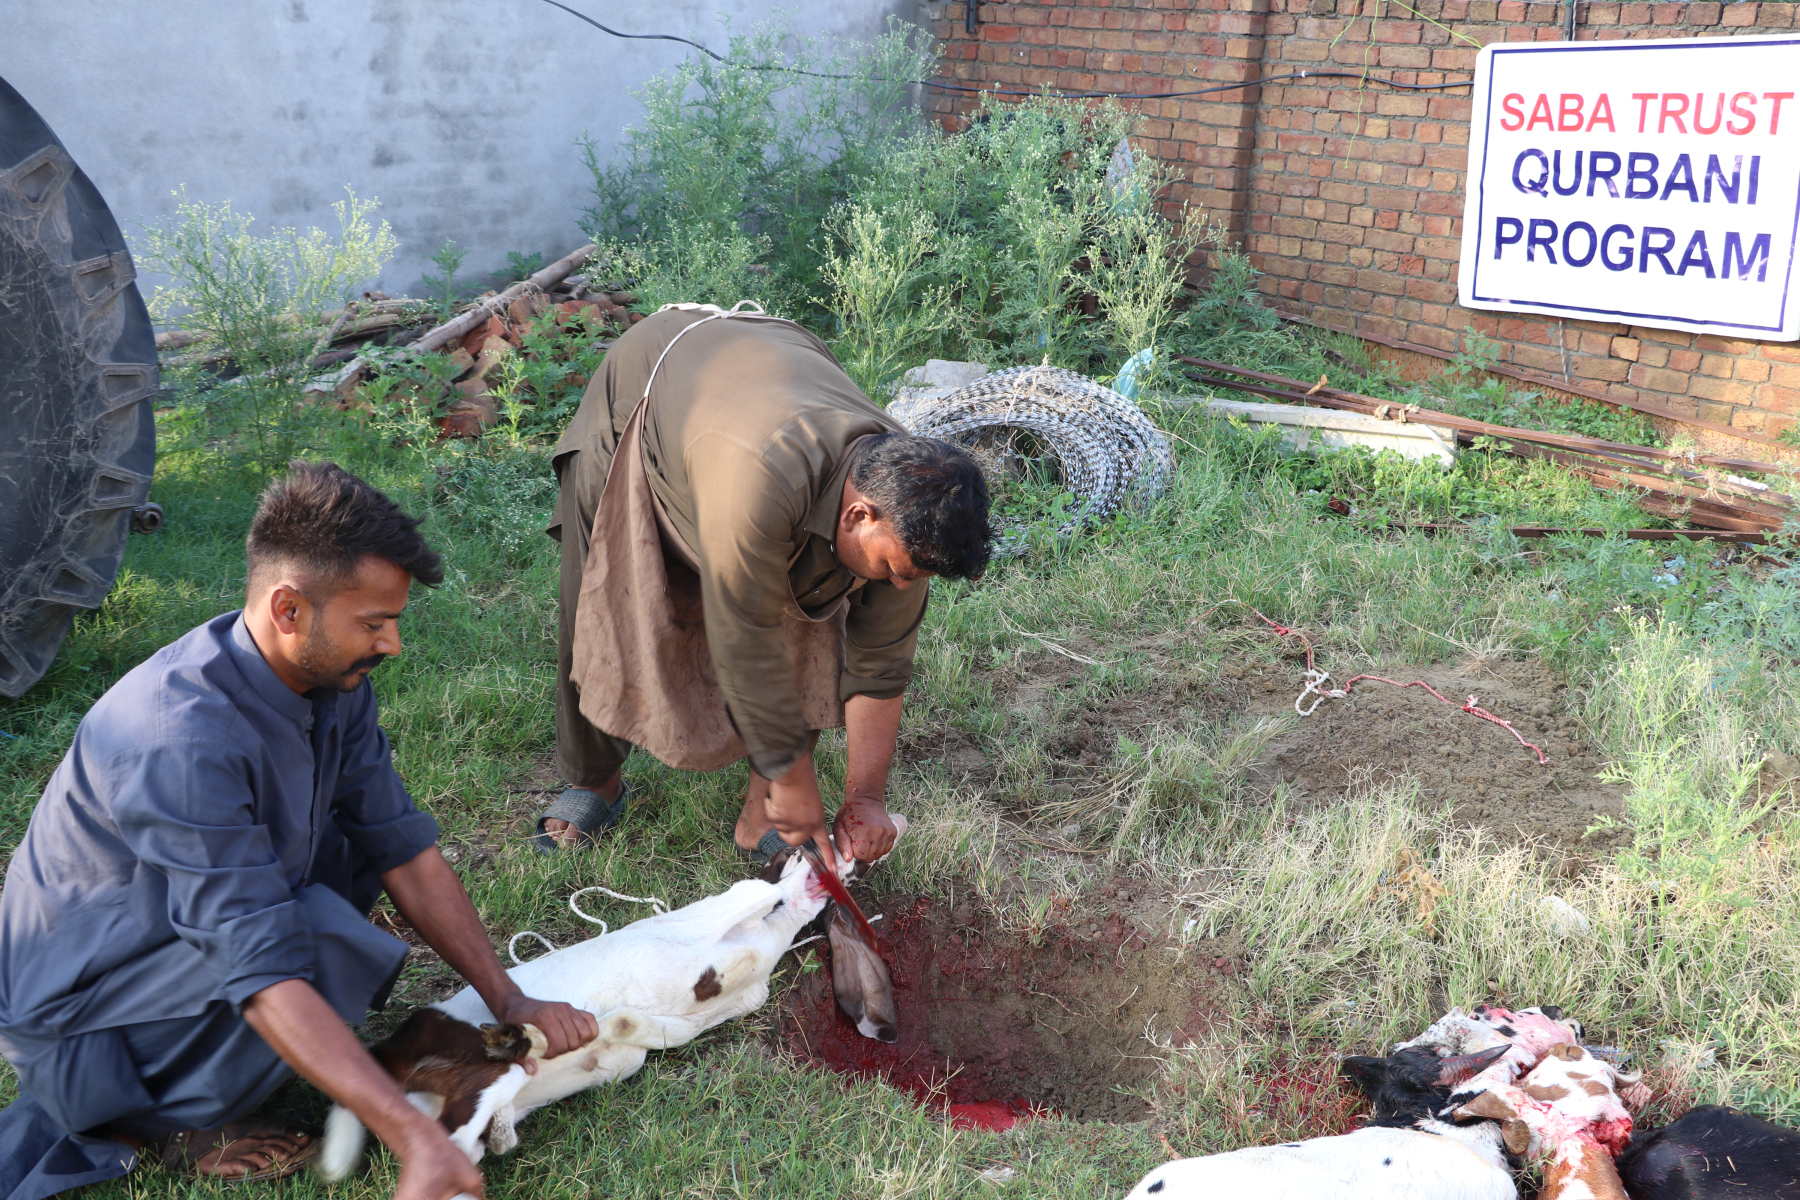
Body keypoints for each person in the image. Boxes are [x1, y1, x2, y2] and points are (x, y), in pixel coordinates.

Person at [0, 462, 597, 1200]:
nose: (392, 644)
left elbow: (400, 844)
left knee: (351, 854)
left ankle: (229, 1060)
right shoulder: (176, 740)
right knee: (312, 932)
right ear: (287, 609)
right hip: (84, 1034)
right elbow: (259, 957)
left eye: (394, 621)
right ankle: (163, 1120)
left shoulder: (327, 680)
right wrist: (413, 1139)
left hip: (162, 948)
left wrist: (509, 1000)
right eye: (373, 623)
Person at [540, 303, 992, 871]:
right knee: (606, 603)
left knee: (817, 610)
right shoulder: (761, 480)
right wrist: (794, 778)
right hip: (647, 392)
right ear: (858, 515)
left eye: (913, 576)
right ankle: (596, 781)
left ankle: (762, 818)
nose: (902, 585)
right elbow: (743, 637)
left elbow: (881, 663)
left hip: (767, 383)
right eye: (897, 569)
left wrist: (865, 800)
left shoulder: (912, 504)